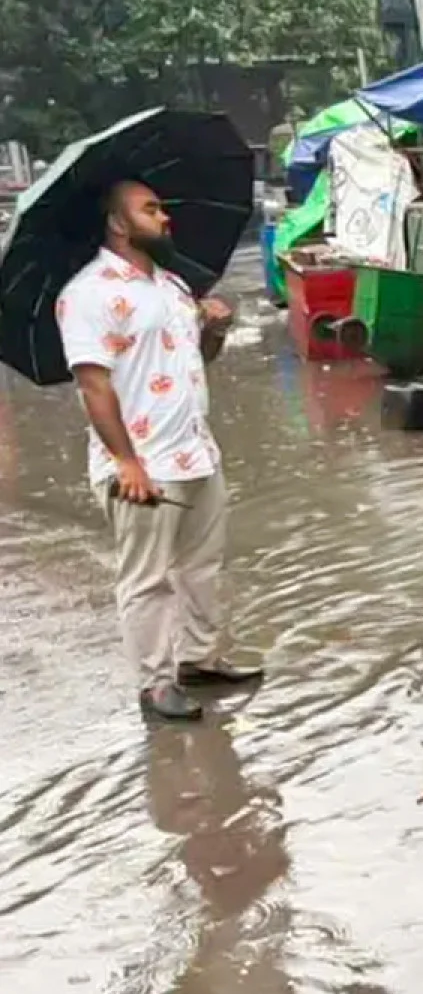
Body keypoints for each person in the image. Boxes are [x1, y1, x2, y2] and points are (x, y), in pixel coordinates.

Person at [59, 180, 261, 721]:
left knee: (202, 566)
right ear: (118, 224)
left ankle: (198, 661)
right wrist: (126, 461)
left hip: (195, 452)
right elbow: (93, 385)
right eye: (150, 209)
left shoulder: (172, 285)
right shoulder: (88, 293)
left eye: (163, 207)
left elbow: (194, 361)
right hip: (142, 462)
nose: (165, 217)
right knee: (146, 579)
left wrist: (214, 329)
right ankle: (154, 684)